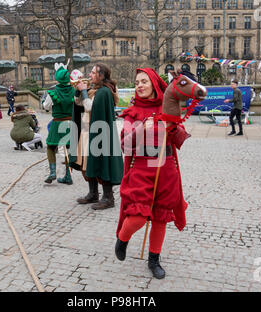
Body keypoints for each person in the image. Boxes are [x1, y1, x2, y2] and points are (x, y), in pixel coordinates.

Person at [115, 68, 190, 279]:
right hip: (141, 168)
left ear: (154, 84)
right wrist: (142, 129)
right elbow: (125, 145)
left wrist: (174, 128)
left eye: (144, 81)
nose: (139, 85)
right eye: (137, 82)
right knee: (138, 216)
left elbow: (179, 140)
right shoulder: (132, 113)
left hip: (166, 168)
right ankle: (123, 238)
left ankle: (154, 259)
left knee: (160, 217)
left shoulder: (168, 109)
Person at [72, 63, 123, 210]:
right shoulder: (95, 90)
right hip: (88, 129)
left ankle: (108, 198)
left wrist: (84, 91)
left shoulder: (105, 91)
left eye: (93, 73)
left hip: (100, 132)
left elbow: (89, 107)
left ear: (101, 75)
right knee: (88, 162)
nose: (90, 75)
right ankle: (92, 193)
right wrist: (78, 91)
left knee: (102, 162)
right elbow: (79, 103)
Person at [43, 63, 75, 185]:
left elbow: (46, 107)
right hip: (70, 123)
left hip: (57, 123)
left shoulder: (53, 92)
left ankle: (52, 172)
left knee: (51, 147)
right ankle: (68, 175)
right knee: (69, 149)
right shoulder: (74, 90)